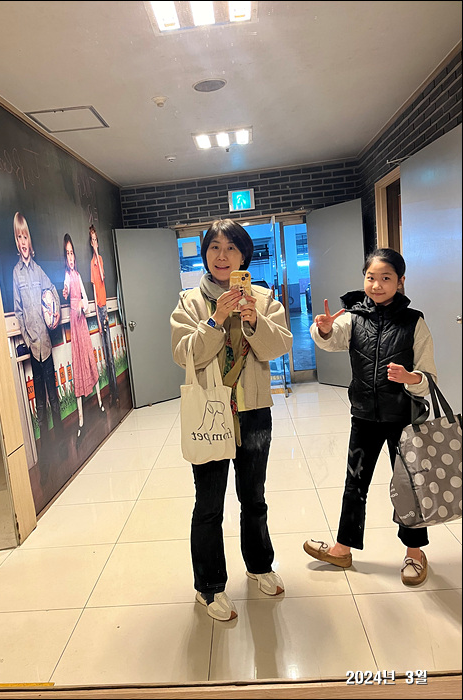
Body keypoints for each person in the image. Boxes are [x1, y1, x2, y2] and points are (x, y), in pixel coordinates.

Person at [170, 219, 293, 621]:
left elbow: (280, 346)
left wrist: (254, 320)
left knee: (253, 497)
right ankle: (209, 587)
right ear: (205, 253)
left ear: (244, 256)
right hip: (211, 414)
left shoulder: (263, 298)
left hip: (253, 412)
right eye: (214, 248)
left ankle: (259, 566)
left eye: (231, 248)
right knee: (209, 504)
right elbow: (184, 355)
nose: (222, 256)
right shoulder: (190, 302)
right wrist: (215, 321)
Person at [303, 248, 437, 586]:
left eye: (385, 278)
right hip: (363, 415)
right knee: (355, 483)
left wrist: (411, 377)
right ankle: (342, 548)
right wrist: (323, 329)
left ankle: (415, 553)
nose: (376, 285)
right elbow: (332, 341)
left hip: (403, 419)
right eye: (370, 277)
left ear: (400, 281)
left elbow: (429, 377)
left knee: (409, 485)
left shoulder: (414, 321)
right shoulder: (353, 317)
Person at [12, 212, 63, 462]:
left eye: (25, 237)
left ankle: (61, 445)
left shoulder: (39, 271)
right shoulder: (16, 274)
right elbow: (18, 311)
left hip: (47, 345)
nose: (23, 241)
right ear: (16, 240)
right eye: (18, 237)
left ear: (29, 239)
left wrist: (54, 315)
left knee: (53, 397)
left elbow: (52, 291)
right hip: (33, 348)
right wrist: (27, 337)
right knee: (40, 404)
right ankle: (46, 456)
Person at [62, 233, 105, 441]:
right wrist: (66, 294)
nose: (70, 257)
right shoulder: (67, 276)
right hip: (74, 324)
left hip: (83, 325)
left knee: (89, 359)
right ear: (65, 257)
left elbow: (86, 301)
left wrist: (82, 304)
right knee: (78, 363)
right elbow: (66, 291)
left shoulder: (78, 275)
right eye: (67, 253)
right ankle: (80, 419)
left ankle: (100, 401)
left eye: (72, 253)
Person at [89, 224, 120, 408]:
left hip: (106, 309)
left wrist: (96, 252)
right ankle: (111, 394)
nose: (94, 242)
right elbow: (94, 292)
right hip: (99, 310)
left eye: (96, 240)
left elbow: (102, 277)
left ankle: (116, 393)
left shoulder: (99, 260)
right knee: (105, 359)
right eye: (92, 240)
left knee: (111, 357)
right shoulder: (91, 264)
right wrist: (98, 321)